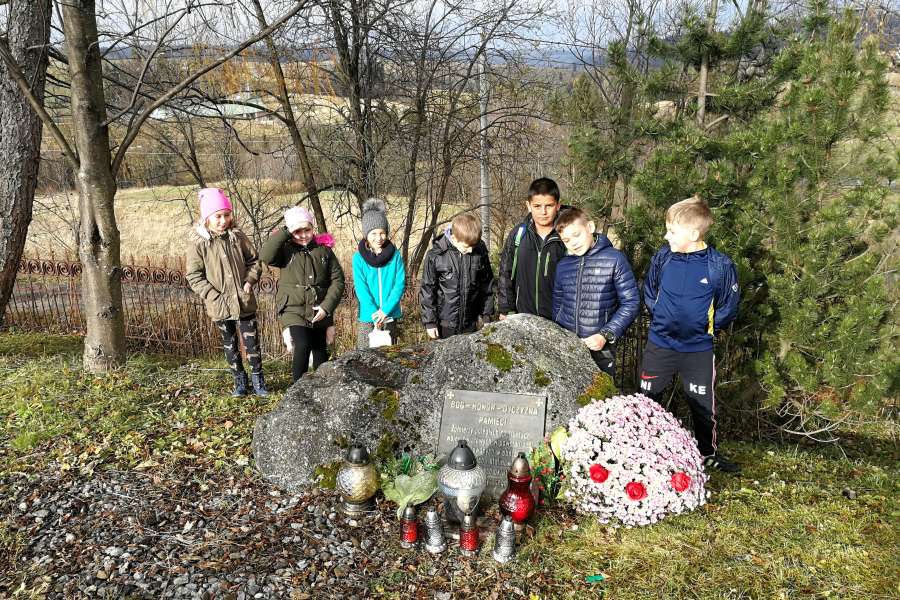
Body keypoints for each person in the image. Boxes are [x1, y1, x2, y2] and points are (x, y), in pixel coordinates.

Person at [639, 195, 741, 473]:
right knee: (647, 402)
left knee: (701, 406)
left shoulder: (719, 265)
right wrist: (660, 315)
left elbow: (727, 307)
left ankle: (707, 453)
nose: (666, 235)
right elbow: (650, 291)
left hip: (697, 350)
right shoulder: (663, 257)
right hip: (660, 345)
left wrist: (704, 329)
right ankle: (641, 453)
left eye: (672, 231)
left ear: (694, 234)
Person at [185, 188, 268, 397]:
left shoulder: (238, 237)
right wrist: (213, 295)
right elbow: (194, 275)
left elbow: (254, 261)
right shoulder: (199, 244)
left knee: (252, 343)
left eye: (227, 215)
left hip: (244, 301)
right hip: (220, 304)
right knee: (230, 345)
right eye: (218, 216)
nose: (223, 221)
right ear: (207, 219)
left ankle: (258, 379)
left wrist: (250, 280)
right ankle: (240, 381)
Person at [552, 207, 640, 378]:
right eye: (567, 240)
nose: (573, 243)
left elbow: (631, 302)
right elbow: (558, 303)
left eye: (577, 235)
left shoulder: (615, 259)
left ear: (590, 227)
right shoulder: (563, 266)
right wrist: (560, 335)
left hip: (600, 347)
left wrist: (605, 334)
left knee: (597, 400)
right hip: (568, 345)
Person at [260, 206, 345, 383]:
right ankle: (298, 390)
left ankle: (323, 386)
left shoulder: (324, 251)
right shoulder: (285, 250)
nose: (303, 235)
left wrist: (326, 307)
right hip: (293, 308)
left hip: (318, 308)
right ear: (291, 231)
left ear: (313, 228)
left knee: (320, 350)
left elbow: (337, 280)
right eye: (297, 231)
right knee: (302, 345)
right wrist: (286, 231)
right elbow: (266, 256)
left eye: (307, 230)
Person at [497, 177, 567, 320]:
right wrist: (506, 309)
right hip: (522, 317)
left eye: (549, 205)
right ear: (528, 206)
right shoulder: (518, 235)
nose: (543, 212)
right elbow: (506, 273)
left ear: (558, 206)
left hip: (559, 320)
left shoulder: (567, 236)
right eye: (537, 206)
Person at [419, 213, 494, 339]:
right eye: (466, 246)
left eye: (473, 246)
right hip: (444, 324)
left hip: (470, 322)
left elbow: (487, 286)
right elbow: (427, 289)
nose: (470, 250)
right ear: (453, 238)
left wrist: (487, 315)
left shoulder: (480, 253)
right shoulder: (436, 255)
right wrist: (430, 322)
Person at [352, 198, 406, 348]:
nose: (378, 237)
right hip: (368, 316)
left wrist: (385, 310)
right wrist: (375, 313)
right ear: (366, 234)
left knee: (390, 355)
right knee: (364, 356)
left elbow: (399, 284)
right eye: (373, 233)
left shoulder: (395, 255)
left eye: (382, 233)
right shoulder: (358, 258)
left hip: (390, 314)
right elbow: (361, 289)